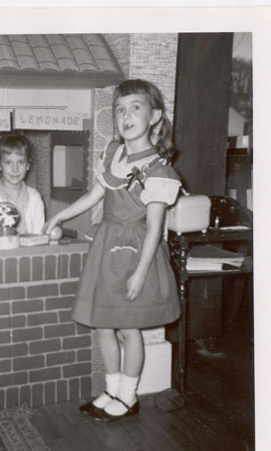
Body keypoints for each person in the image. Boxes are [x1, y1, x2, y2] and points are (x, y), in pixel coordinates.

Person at [43, 79, 182, 422]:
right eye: (119, 109)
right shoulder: (113, 153)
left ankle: (129, 396)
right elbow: (94, 197)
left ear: (155, 117)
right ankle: (111, 389)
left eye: (135, 107)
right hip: (106, 249)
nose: (126, 115)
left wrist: (140, 272)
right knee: (104, 325)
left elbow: (154, 229)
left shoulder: (158, 169)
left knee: (128, 328)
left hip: (135, 254)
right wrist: (60, 213)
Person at [0, 134, 45, 234]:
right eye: (8, 162)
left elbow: (38, 236)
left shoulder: (35, 197)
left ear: (28, 165)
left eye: (20, 162)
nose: (15, 169)